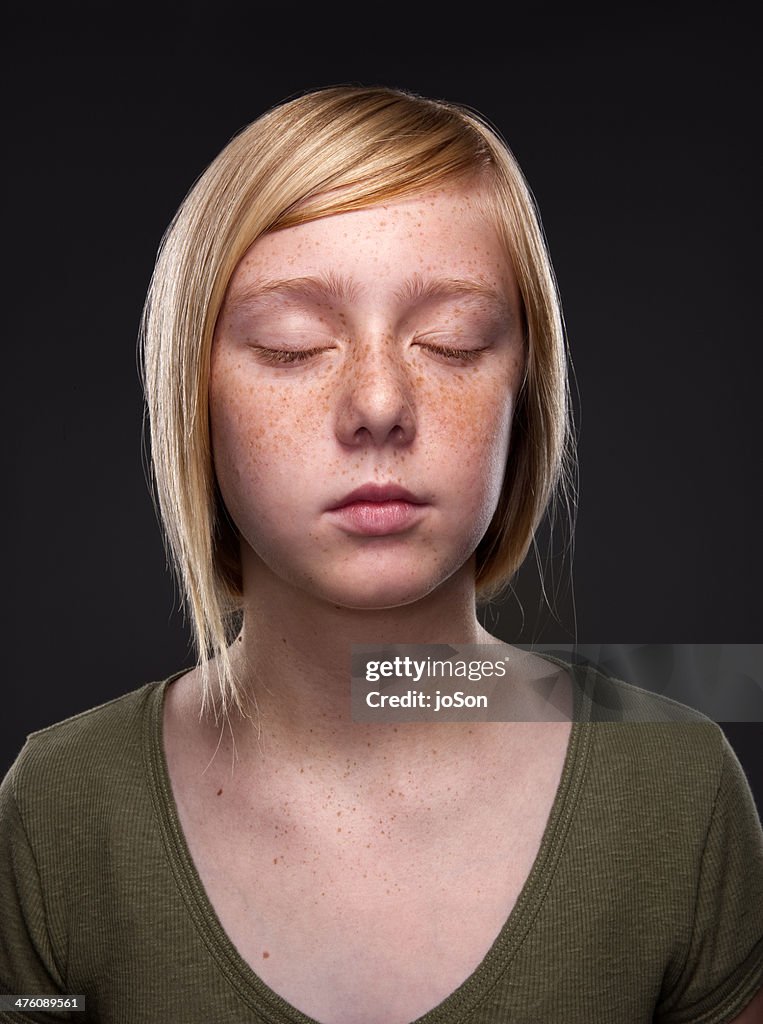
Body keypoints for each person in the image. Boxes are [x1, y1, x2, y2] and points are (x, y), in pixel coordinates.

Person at [1, 85, 761, 1024]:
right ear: (193, 395)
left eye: (451, 340)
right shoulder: (58, 809)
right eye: (292, 345)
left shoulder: (676, 786)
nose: (377, 403)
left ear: (525, 386)